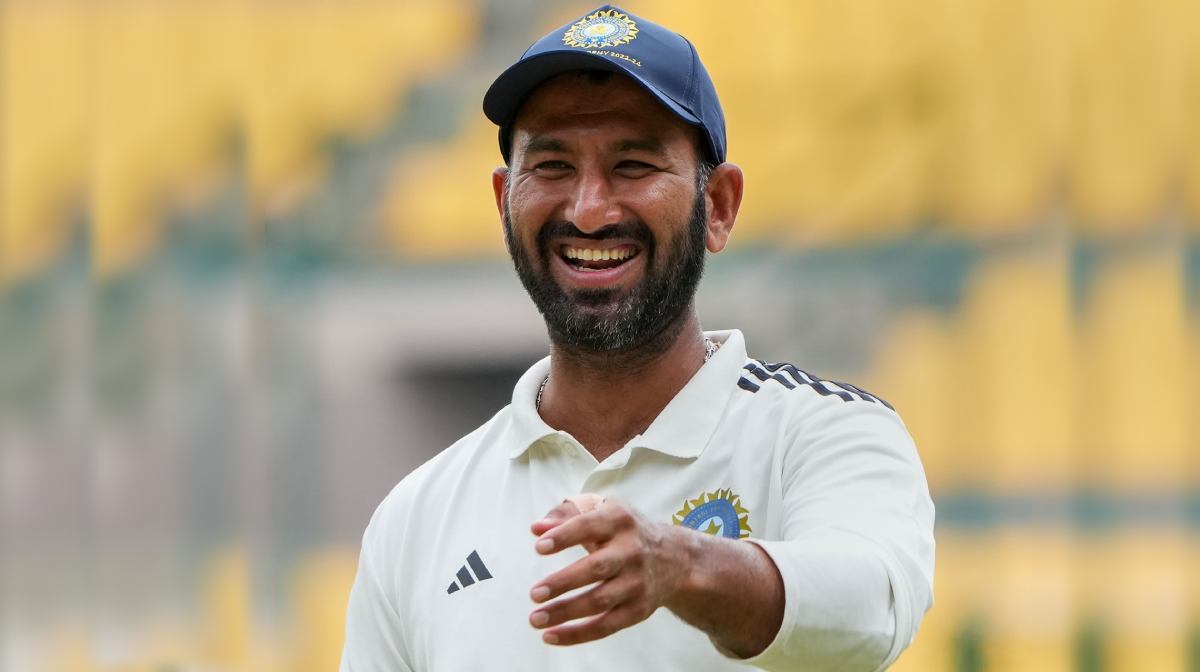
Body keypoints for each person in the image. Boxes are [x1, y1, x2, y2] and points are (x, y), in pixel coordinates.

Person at [341, 5, 934, 671]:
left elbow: (869, 609)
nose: (589, 210)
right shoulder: (417, 515)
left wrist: (682, 565)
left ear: (720, 207)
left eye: (633, 164)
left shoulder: (824, 433)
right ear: (504, 200)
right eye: (554, 166)